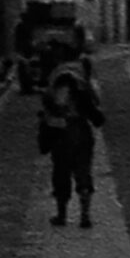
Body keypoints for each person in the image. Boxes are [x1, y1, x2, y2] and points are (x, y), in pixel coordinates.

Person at [40, 64, 105, 228]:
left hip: (60, 136)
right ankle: (85, 214)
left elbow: (46, 120)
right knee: (83, 172)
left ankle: (62, 215)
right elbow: (97, 117)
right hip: (82, 134)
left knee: (61, 174)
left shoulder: (50, 95)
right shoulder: (82, 93)